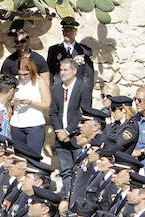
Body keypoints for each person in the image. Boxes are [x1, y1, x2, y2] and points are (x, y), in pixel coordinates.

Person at [49, 57, 91, 194]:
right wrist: (59, 131)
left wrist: (67, 131)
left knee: (79, 171)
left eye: (65, 70)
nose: (62, 72)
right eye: (61, 70)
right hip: (60, 138)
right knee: (66, 171)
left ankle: (78, 198)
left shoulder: (83, 88)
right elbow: (53, 112)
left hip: (76, 137)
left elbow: (83, 113)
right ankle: (68, 197)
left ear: (74, 71)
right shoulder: (56, 88)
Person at [9, 57, 50, 154]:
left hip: (34, 125)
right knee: (19, 157)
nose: (22, 77)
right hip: (17, 124)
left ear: (31, 71)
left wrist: (30, 102)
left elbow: (46, 103)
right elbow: (7, 101)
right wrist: (12, 101)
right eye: (20, 74)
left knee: (33, 158)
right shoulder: (15, 81)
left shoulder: (40, 82)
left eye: (25, 74)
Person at [45, 16, 94, 89]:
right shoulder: (54, 50)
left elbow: (89, 77)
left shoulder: (85, 51)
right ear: (62, 32)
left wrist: (86, 95)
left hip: (78, 92)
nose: (67, 32)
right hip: (58, 92)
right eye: (65, 30)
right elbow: (50, 74)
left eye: (70, 30)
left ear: (75, 32)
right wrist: (51, 91)